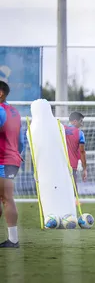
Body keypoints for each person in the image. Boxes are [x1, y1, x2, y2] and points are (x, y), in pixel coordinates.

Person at [0, 80, 24, 248]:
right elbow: (21, 141)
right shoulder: (15, 112)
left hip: (3, 161)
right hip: (12, 160)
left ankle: (13, 240)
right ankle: (13, 239)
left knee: (7, 198)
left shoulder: (0, 110)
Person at [64, 112, 87, 203]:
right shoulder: (80, 133)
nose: (82, 124)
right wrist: (85, 169)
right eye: (81, 121)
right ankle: (73, 205)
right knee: (73, 185)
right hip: (71, 164)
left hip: (58, 164)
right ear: (74, 121)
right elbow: (82, 152)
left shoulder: (60, 129)